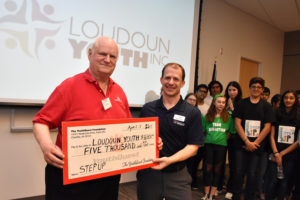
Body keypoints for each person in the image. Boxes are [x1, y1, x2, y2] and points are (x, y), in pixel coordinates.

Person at [32, 36, 133, 200]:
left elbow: (128, 129)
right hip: (71, 179)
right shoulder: (69, 86)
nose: (107, 60)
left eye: (112, 56)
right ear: (90, 53)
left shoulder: (119, 92)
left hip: (108, 177)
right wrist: (46, 146)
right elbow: (41, 121)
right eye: (102, 54)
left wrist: (150, 142)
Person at [136, 63, 205, 200]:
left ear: (183, 83)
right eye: (167, 78)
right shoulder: (148, 109)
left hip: (178, 175)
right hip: (149, 175)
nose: (171, 82)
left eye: (176, 79)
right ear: (161, 80)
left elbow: (193, 147)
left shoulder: (192, 112)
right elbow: (139, 139)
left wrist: (170, 160)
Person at [232, 77, 275, 200]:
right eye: (253, 87)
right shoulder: (241, 103)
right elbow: (237, 124)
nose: (256, 89)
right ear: (250, 88)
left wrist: (254, 143)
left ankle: (249, 197)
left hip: (257, 146)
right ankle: (236, 196)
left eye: (259, 87)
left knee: (252, 174)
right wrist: (247, 141)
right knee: (239, 172)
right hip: (241, 144)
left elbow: (267, 127)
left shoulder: (266, 106)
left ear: (262, 90)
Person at [265, 90, 299, 200]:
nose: (288, 100)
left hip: (290, 155)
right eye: (286, 98)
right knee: (272, 181)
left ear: (295, 100)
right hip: (275, 153)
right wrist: (276, 153)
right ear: (283, 99)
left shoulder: (299, 116)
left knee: (284, 182)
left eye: (291, 98)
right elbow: (271, 135)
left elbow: (298, 141)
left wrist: (282, 154)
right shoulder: (276, 113)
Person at [201, 94, 235, 200]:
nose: (221, 104)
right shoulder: (207, 116)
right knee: (207, 169)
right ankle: (206, 194)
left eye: (223, 102)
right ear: (214, 103)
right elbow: (204, 131)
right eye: (219, 102)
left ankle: (212, 194)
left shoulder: (229, 117)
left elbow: (230, 132)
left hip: (221, 147)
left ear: (225, 104)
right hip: (208, 146)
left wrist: (222, 139)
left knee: (217, 170)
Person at [223, 81, 242, 200]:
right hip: (223, 135)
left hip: (236, 137)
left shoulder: (242, 103)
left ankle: (232, 189)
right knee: (223, 163)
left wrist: (232, 107)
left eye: (234, 90)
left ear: (238, 91)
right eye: (229, 90)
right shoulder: (223, 101)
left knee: (235, 165)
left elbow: (240, 118)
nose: (231, 92)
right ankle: (221, 186)